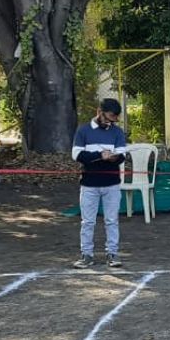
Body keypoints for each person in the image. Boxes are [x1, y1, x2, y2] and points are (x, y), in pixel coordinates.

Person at [72, 98, 128, 269]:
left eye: (115, 118)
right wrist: (99, 155)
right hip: (89, 184)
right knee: (88, 222)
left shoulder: (118, 132)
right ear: (99, 112)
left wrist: (112, 158)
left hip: (112, 184)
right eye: (109, 117)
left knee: (111, 220)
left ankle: (112, 253)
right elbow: (76, 155)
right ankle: (86, 255)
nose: (112, 122)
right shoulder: (83, 131)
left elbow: (122, 155)